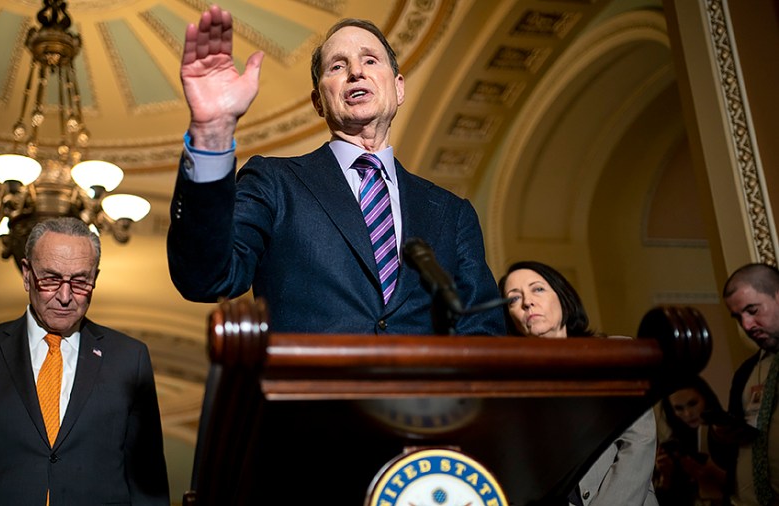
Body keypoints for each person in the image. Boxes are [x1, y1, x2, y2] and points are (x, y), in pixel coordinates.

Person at [166, 5, 505, 336]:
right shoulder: (274, 182)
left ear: (399, 87)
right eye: (337, 67)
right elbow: (207, 278)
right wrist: (212, 132)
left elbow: (483, 332)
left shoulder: (451, 212)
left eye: (370, 60)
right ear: (318, 102)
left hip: (422, 392)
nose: (356, 72)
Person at [0, 217, 169, 505]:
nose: (65, 296)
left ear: (95, 278)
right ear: (26, 274)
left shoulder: (129, 359)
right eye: (50, 279)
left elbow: (149, 484)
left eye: (81, 282)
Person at [499, 260, 659, 505]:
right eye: (513, 298)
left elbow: (640, 441)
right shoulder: (515, 387)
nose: (527, 302)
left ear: (562, 296)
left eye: (537, 289)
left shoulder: (615, 353)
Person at [722, 262, 779, 505]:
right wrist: (722, 435)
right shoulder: (746, 372)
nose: (746, 325)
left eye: (753, 310)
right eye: (738, 317)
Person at [654, 376, 732, 505]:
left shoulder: (728, 435)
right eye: (679, 408)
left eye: (693, 403)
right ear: (672, 411)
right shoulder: (672, 447)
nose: (688, 414)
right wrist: (665, 478)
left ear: (706, 399)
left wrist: (711, 474)